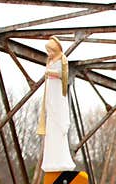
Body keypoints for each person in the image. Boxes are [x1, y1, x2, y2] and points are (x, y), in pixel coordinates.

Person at [37, 36, 77, 172]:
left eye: (51, 51)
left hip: (58, 95)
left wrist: (49, 72)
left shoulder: (62, 60)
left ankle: (61, 159)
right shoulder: (50, 60)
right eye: (48, 51)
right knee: (51, 126)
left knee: (57, 125)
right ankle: (51, 160)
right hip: (51, 94)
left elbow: (62, 74)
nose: (49, 54)